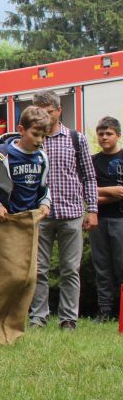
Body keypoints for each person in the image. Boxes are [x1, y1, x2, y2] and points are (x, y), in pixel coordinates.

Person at [0, 106, 51, 343]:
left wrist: (45, 202)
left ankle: (8, 330)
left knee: (27, 279)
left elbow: (45, 187)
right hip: (5, 221)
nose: (39, 140)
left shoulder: (42, 157)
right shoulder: (1, 154)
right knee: (8, 275)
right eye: (35, 134)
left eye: (43, 136)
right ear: (22, 130)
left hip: (28, 222)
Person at [29, 90, 99, 331]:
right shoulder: (32, 140)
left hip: (72, 213)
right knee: (38, 269)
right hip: (41, 214)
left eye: (49, 113)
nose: (44, 118)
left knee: (70, 270)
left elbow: (89, 177)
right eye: (39, 113)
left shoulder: (76, 139)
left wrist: (93, 210)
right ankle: (38, 316)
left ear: (59, 111)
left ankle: (68, 319)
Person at [90, 116, 123, 321]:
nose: (104, 137)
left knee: (121, 266)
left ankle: (121, 311)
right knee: (101, 267)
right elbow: (85, 192)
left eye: (108, 134)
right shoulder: (93, 161)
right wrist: (111, 191)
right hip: (98, 221)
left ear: (117, 135)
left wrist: (98, 196)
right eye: (101, 134)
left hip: (121, 220)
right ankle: (105, 311)